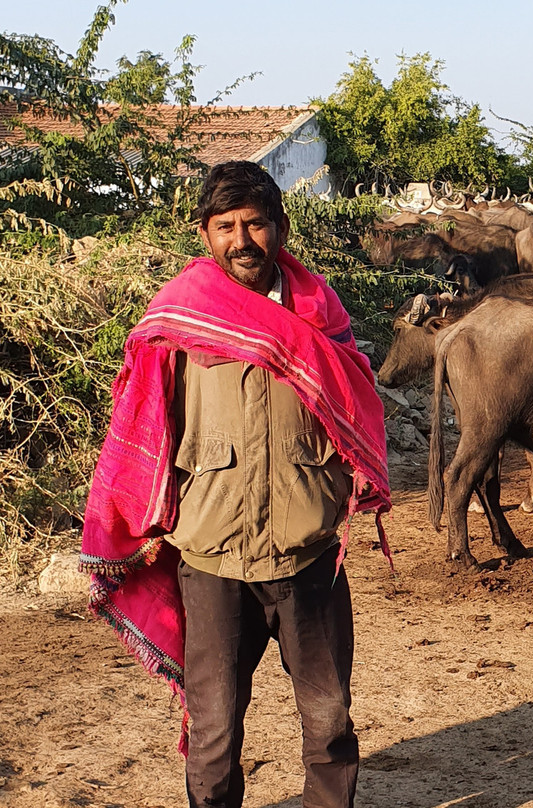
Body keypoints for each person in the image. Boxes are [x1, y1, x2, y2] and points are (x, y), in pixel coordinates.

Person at [80, 160, 391, 808]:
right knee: (215, 731)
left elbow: (357, 406)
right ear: (206, 232)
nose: (242, 239)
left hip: (309, 558)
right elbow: (140, 424)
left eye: (256, 223)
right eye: (227, 226)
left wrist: (336, 489)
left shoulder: (319, 315)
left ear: (279, 228)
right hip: (212, 561)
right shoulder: (180, 320)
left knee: (330, 723)